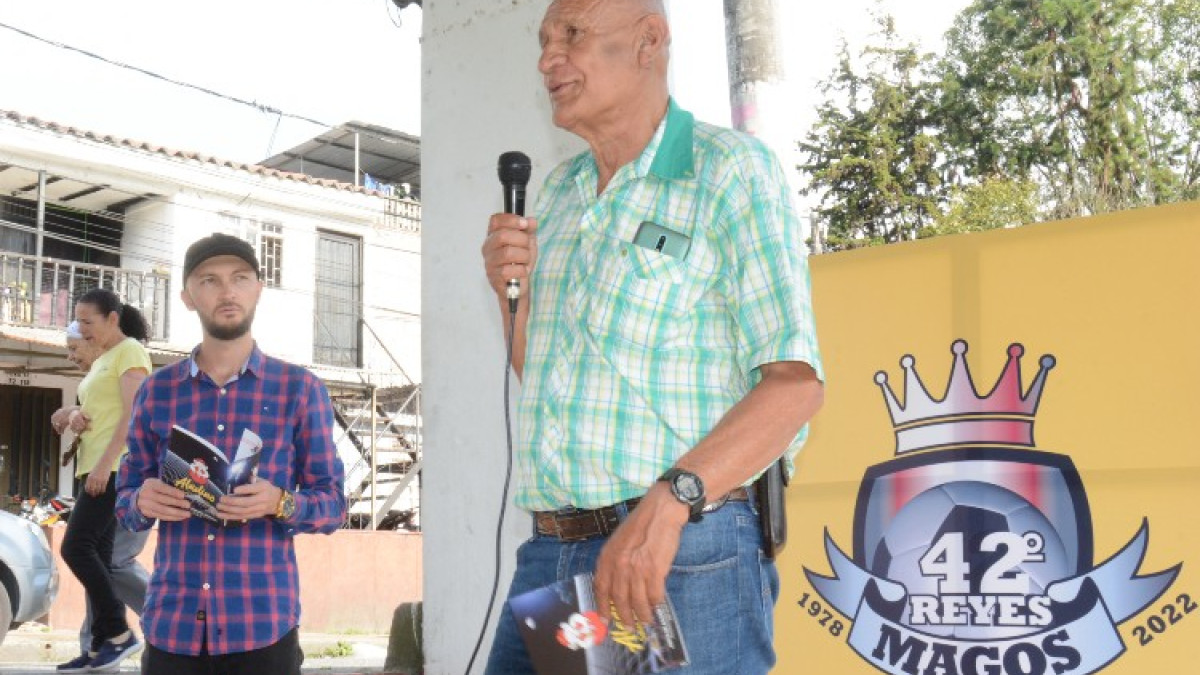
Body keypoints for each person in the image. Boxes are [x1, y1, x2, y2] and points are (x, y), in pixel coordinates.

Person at [479, 1, 825, 672]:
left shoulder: (727, 170)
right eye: (544, 40)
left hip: (677, 550)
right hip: (557, 550)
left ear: (649, 41)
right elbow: (544, 377)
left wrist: (671, 504)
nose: (549, 57)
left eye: (572, 34)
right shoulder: (560, 194)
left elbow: (795, 387)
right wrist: (508, 295)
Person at [116, 233, 346, 674]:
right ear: (187, 297)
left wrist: (281, 502)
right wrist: (141, 500)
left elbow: (334, 505)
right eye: (209, 281)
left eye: (240, 278)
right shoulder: (157, 392)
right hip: (172, 627)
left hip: (262, 628)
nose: (227, 292)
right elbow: (127, 499)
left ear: (258, 288)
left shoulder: (299, 389)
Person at [57, 290, 153, 673]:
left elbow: (132, 415)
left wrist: (105, 464)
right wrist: (73, 414)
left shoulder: (130, 352)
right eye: (78, 321)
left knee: (76, 548)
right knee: (96, 556)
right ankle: (99, 646)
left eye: (88, 322)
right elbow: (102, 410)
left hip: (116, 468)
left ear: (112, 319)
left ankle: (118, 631)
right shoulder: (105, 359)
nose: (82, 329)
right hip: (95, 466)